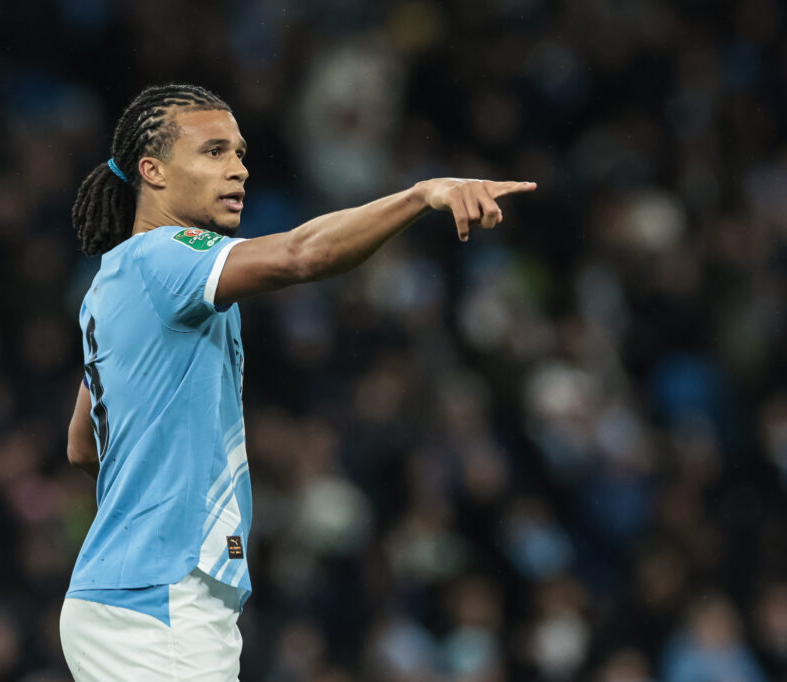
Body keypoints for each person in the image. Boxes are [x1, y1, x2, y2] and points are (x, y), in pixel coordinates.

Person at [59, 83, 536, 681]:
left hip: (125, 593)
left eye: (240, 153)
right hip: (160, 600)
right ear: (151, 171)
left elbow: (83, 444)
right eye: (213, 152)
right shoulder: (166, 257)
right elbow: (300, 256)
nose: (238, 168)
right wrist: (421, 195)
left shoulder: (112, 285)